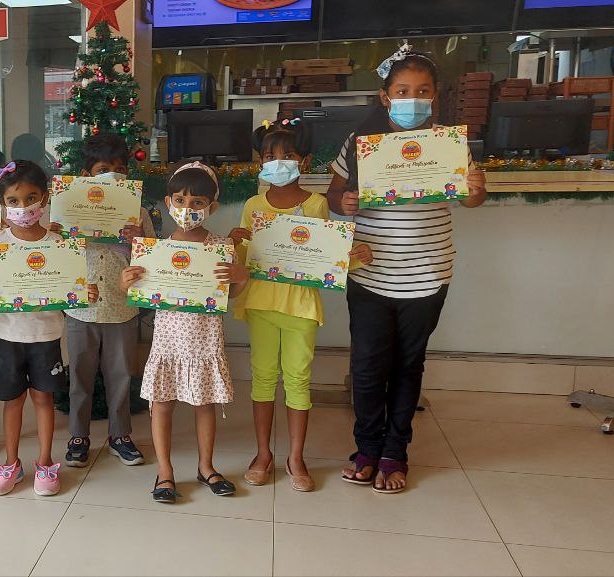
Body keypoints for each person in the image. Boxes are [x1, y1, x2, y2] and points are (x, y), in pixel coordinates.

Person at [327, 44, 487, 494]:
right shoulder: (361, 143)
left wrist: (476, 188)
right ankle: (367, 448)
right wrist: (345, 202)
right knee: (366, 366)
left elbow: (471, 198)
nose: (412, 98)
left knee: (408, 364)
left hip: (427, 273)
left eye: (422, 90)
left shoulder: (447, 145)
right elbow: (333, 196)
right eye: (403, 90)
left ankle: (395, 452)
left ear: (435, 96)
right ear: (385, 96)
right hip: (369, 274)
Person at [230, 121, 373, 493]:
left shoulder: (317, 204)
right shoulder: (253, 205)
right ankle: (263, 455)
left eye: (287, 156)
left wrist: (356, 257)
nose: (278, 163)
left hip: (301, 307)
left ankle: (296, 457)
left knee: (297, 382)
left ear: (304, 161)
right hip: (260, 303)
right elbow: (245, 258)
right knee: (262, 380)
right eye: (269, 157)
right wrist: (230, 244)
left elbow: (325, 259)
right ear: (259, 163)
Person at [121, 162, 248, 504]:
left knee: (203, 404)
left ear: (212, 207)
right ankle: (165, 471)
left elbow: (230, 295)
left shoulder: (221, 246)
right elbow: (140, 293)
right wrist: (128, 282)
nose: (187, 209)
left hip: (205, 340)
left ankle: (206, 467)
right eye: (179, 200)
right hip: (168, 341)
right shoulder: (156, 250)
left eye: (196, 203)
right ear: (168, 201)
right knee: (161, 404)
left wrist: (240, 277)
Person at [0, 160, 99, 497]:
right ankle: (11, 465)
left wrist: (86, 292)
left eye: (31, 198)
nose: (23, 208)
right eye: (13, 201)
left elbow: (73, 290)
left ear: (44, 199)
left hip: (46, 335)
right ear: (2, 206)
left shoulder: (61, 244)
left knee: (44, 399)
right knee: (12, 401)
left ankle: (45, 464)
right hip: (5, 335)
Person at [61, 133, 151, 469]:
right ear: (86, 176)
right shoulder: (69, 209)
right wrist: (64, 229)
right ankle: (78, 436)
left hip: (122, 307)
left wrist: (138, 237)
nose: (113, 175)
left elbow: (151, 259)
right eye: (103, 169)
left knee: (120, 376)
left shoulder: (137, 211)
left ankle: (120, 435)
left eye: (119, 169)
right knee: (80, 378)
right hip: (80, 309)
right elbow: (56, 256)